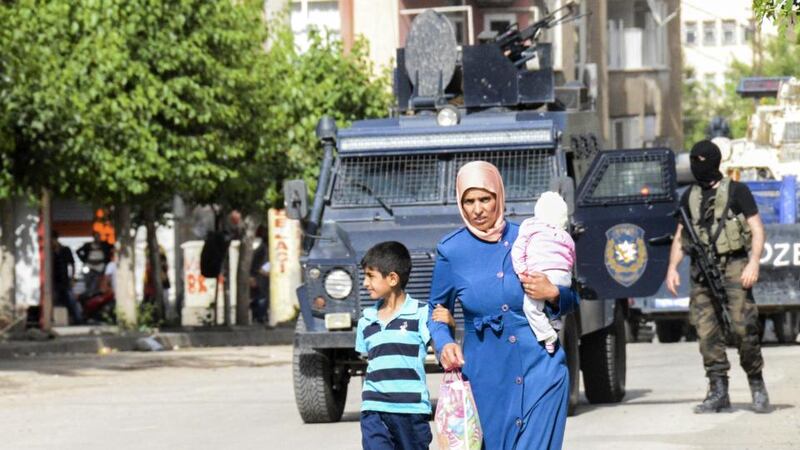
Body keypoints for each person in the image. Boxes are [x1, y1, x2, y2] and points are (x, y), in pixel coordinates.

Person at [427, 161, 579, 449]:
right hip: (486, 376)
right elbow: (435, 311)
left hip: (541, 368)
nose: (477, 209)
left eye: (485, 198)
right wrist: (443, 341)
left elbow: (573, 300)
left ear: (499, 196)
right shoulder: (452, 250)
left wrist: (553, 293)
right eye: (469, 201)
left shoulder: (531, 237)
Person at [665, 139, 769, 414]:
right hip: (702, 271)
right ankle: (718, 390)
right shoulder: (688, 196)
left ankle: (756, 383)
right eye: (694, 161)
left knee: (743, 328)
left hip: (734, 266)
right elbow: (680, 237)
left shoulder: (737, 191)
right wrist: (672, 268)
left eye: (703, 160)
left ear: (714, 161)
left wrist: (753, 263)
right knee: (706, 332)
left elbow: (757, 228)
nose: (698, 166)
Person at [355, 241, 432, 450]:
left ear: (392, 278)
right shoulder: (366, 320)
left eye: (370, 276)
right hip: (374, 408)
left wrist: (449, 324)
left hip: (411, 411)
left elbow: (444, 346)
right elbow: (368, 359)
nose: (365, 283)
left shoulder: (422, 314)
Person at [511, 191, 575, 354]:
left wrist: (522, 272)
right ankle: (554, 322)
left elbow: (517, 251)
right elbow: (572, 253)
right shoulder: (564, 234)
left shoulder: (528, 228)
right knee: (544, 305)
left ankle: (546, 335)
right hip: (563, 276)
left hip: (540, 274)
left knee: (531, 307)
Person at [51, 231, 83, 325]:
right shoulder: (50, 251)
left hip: (64, 280)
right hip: (54, 281)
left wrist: (73, 277)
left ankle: (78, 319)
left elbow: (72, 264)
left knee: (71, 300)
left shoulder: (65, 250)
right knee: (56, 300)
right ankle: (58, 320)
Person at [249, 225, 270, 324]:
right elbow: (256, 263)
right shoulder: (262, 248)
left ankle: (260, 316)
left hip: (262, 276)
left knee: (262, 297)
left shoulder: (264, 247)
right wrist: (253, 276)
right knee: (261, 297)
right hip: (260, 276)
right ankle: (260, 316)